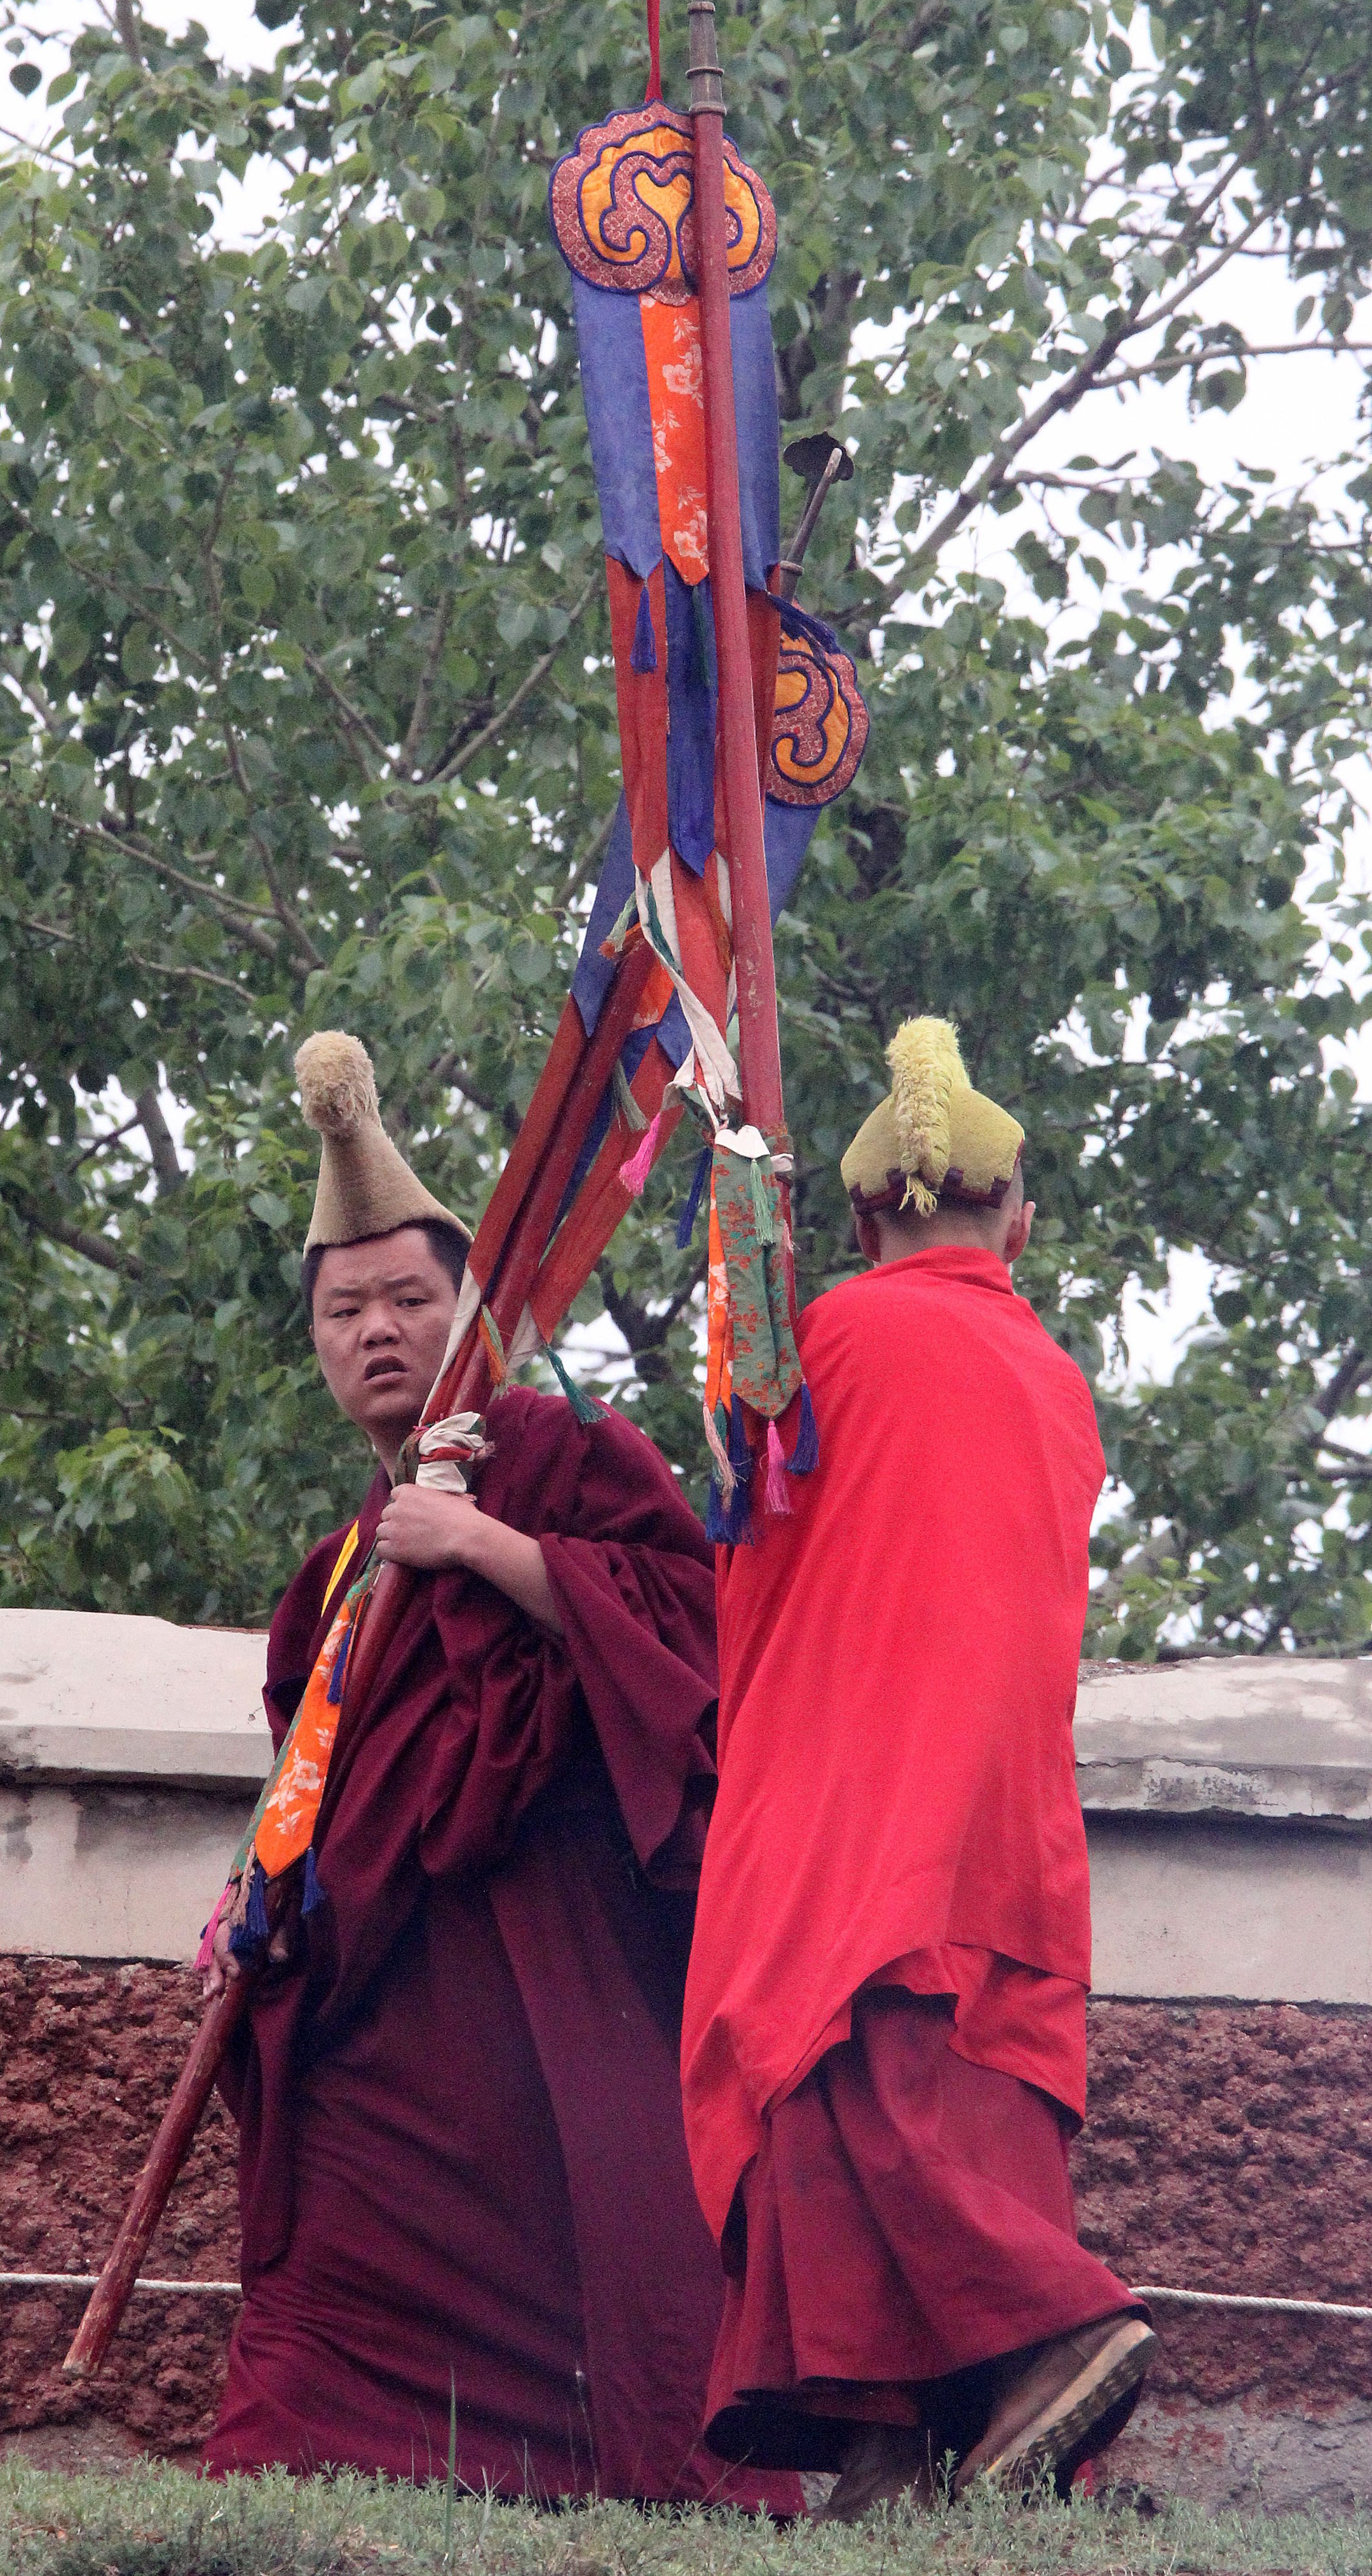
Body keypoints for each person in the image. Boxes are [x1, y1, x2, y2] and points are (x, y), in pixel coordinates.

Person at [203, 1031, 793, 2509]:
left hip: (554, 1962)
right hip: (389, 2006)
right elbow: (313, 1792)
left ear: (472, 1308)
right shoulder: (332, 1574)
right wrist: (241, 1905)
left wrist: (484, 1544)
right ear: (316, 1342)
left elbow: (690, 1632)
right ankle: (280, 2474)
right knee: (313, 2287)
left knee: (608, 2237)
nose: (378, 1332)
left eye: (411, 1299)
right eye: (345, 1310)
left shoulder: (561, 1452)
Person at [679, 1016, 1157, 2519]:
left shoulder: (820, 1341)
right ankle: (899, 2451)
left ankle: (1051, 2329)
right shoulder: (1059, 1387)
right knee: (967, 2096)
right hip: (1003, 1823)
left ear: (862, 1219)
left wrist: (752, 1298)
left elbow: (752, 1550)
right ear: (1016, 1222)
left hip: (856, 1799)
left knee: (837, 2077)